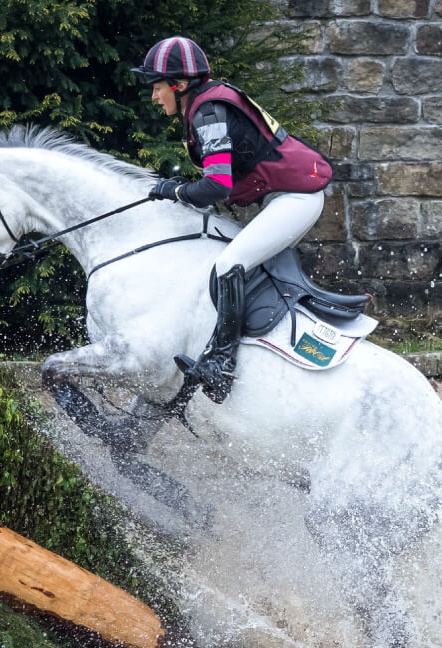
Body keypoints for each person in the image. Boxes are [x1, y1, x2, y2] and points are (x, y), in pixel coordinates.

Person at [131, 36, 333, 404]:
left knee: (228, 263)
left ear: (179, 85)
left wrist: (174, 191)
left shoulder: (208, 111)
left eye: (158, 87)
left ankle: (221, 363)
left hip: (296, 198)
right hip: (281, 197)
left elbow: (217, 186)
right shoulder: (205, 104)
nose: (154, 96)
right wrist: (178, 188)